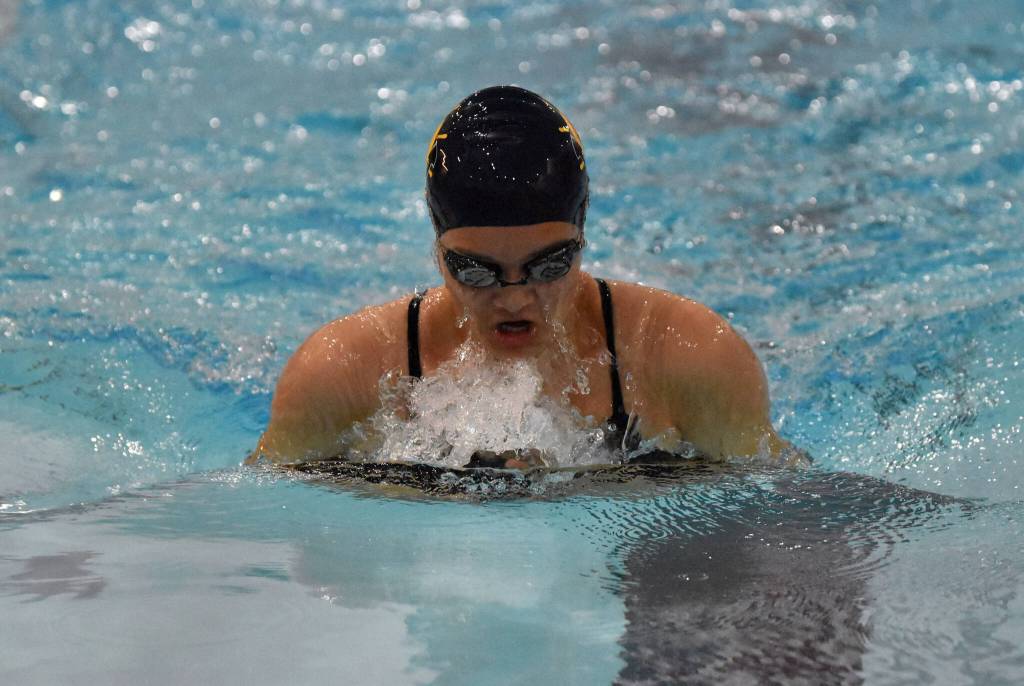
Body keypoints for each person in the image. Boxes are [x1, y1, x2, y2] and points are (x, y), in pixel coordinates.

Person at [249, 85, 799, 468]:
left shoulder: (688, 357)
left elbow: (783, 510)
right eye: (476, 270)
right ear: (438, 253)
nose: (515, 298)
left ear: (582, 240)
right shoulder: (340, 374)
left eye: (548, 265)